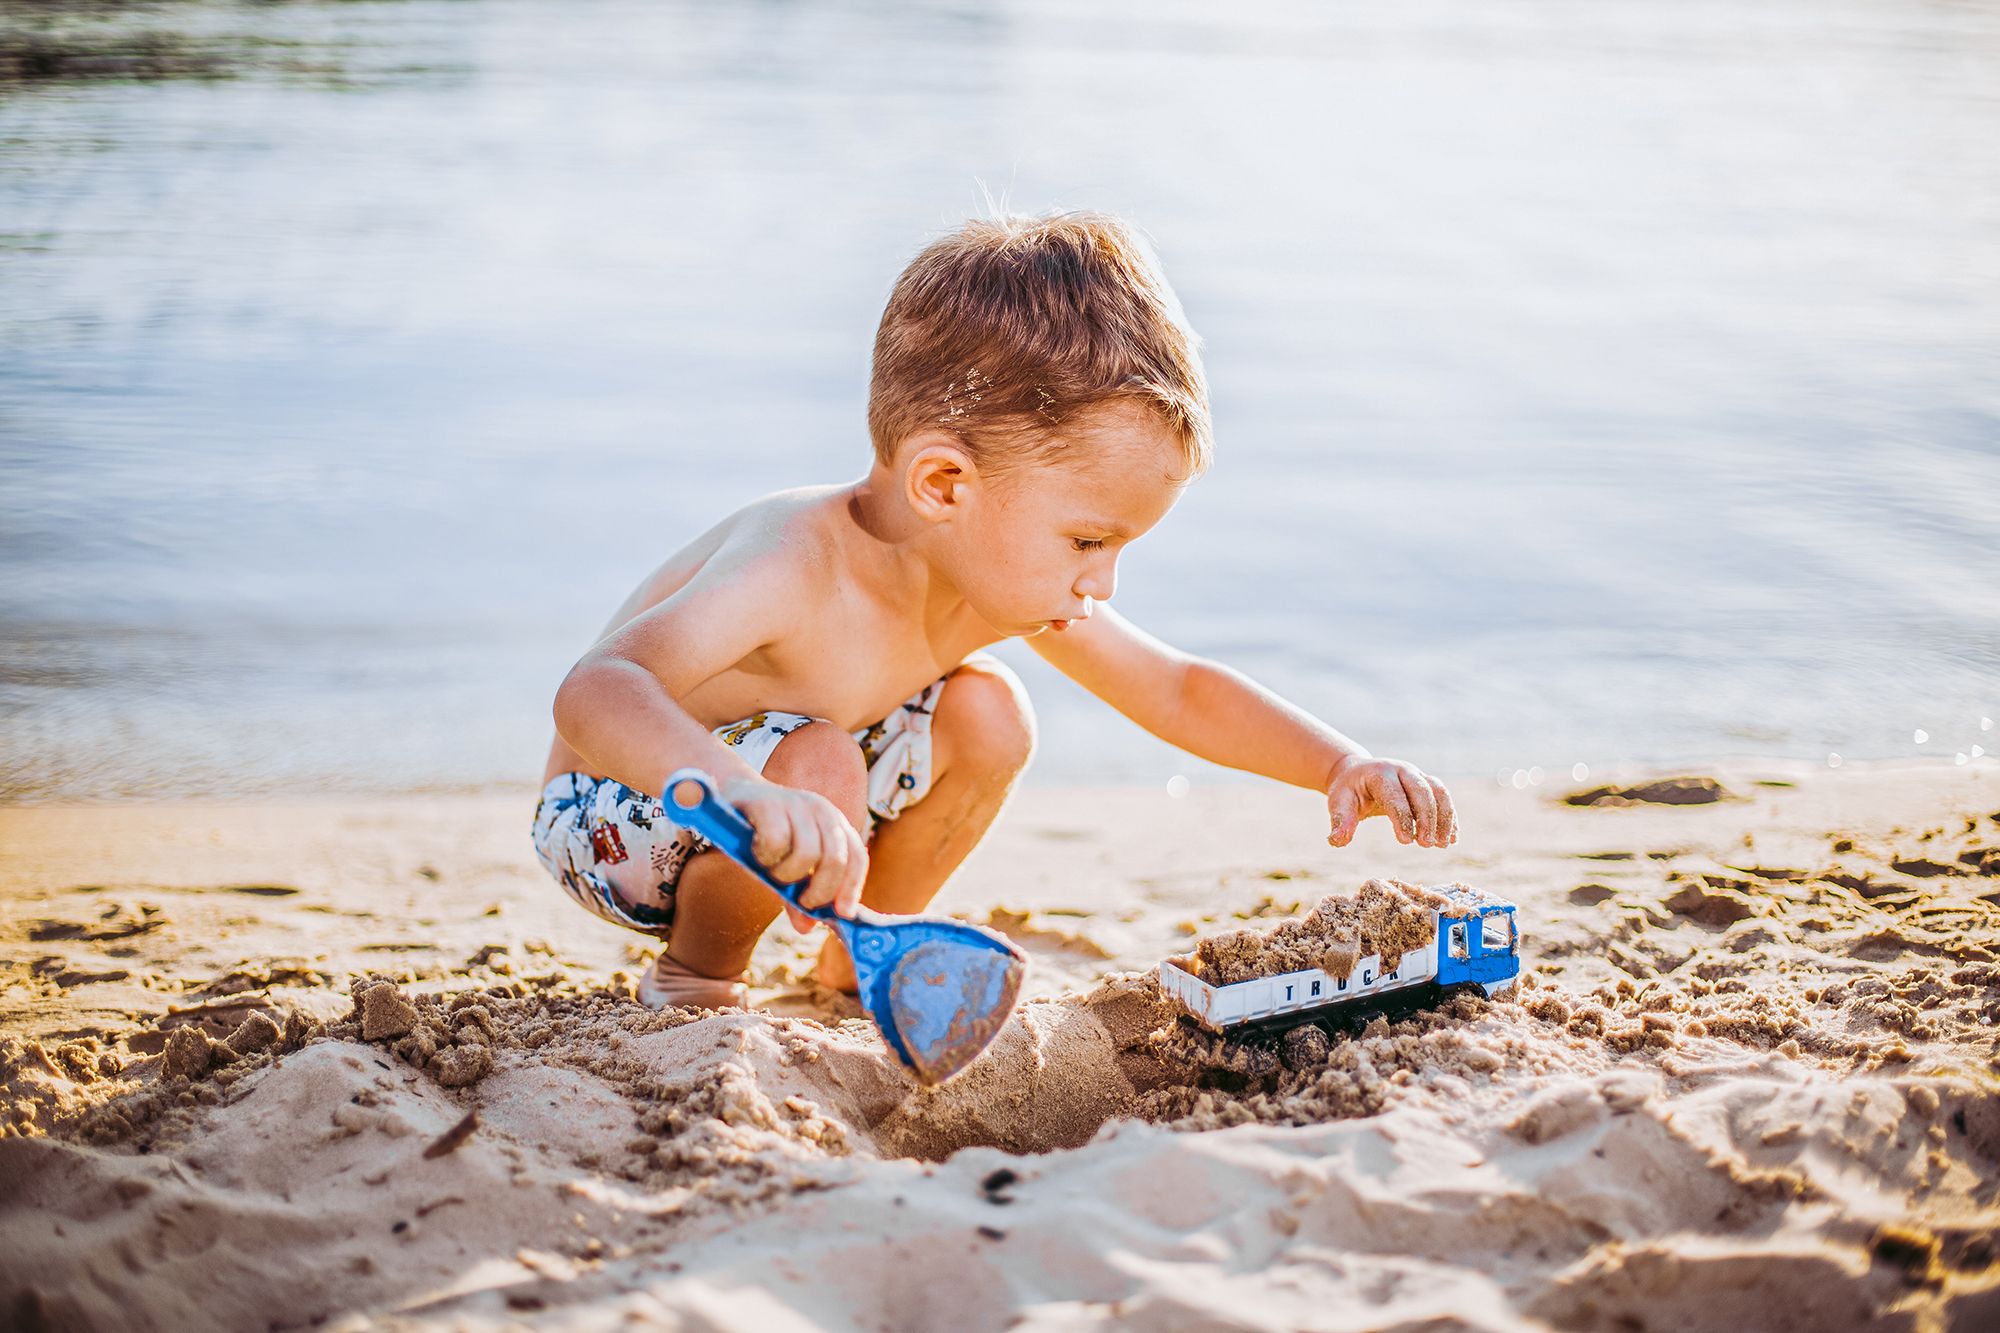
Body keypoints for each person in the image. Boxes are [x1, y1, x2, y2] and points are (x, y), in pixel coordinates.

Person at [533, 210, 1458, 1010]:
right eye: (1089, 542)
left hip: (798, 792)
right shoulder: (794, 562)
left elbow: (1174, 690)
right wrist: (740, 789)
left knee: (990, 713)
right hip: (620, 812)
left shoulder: (995, 582)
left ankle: (862, 954)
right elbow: (595, 691)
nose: (1104, 582)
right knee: (818, 759)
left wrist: (1341, 762)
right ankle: (698, 976)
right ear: (944, 483)